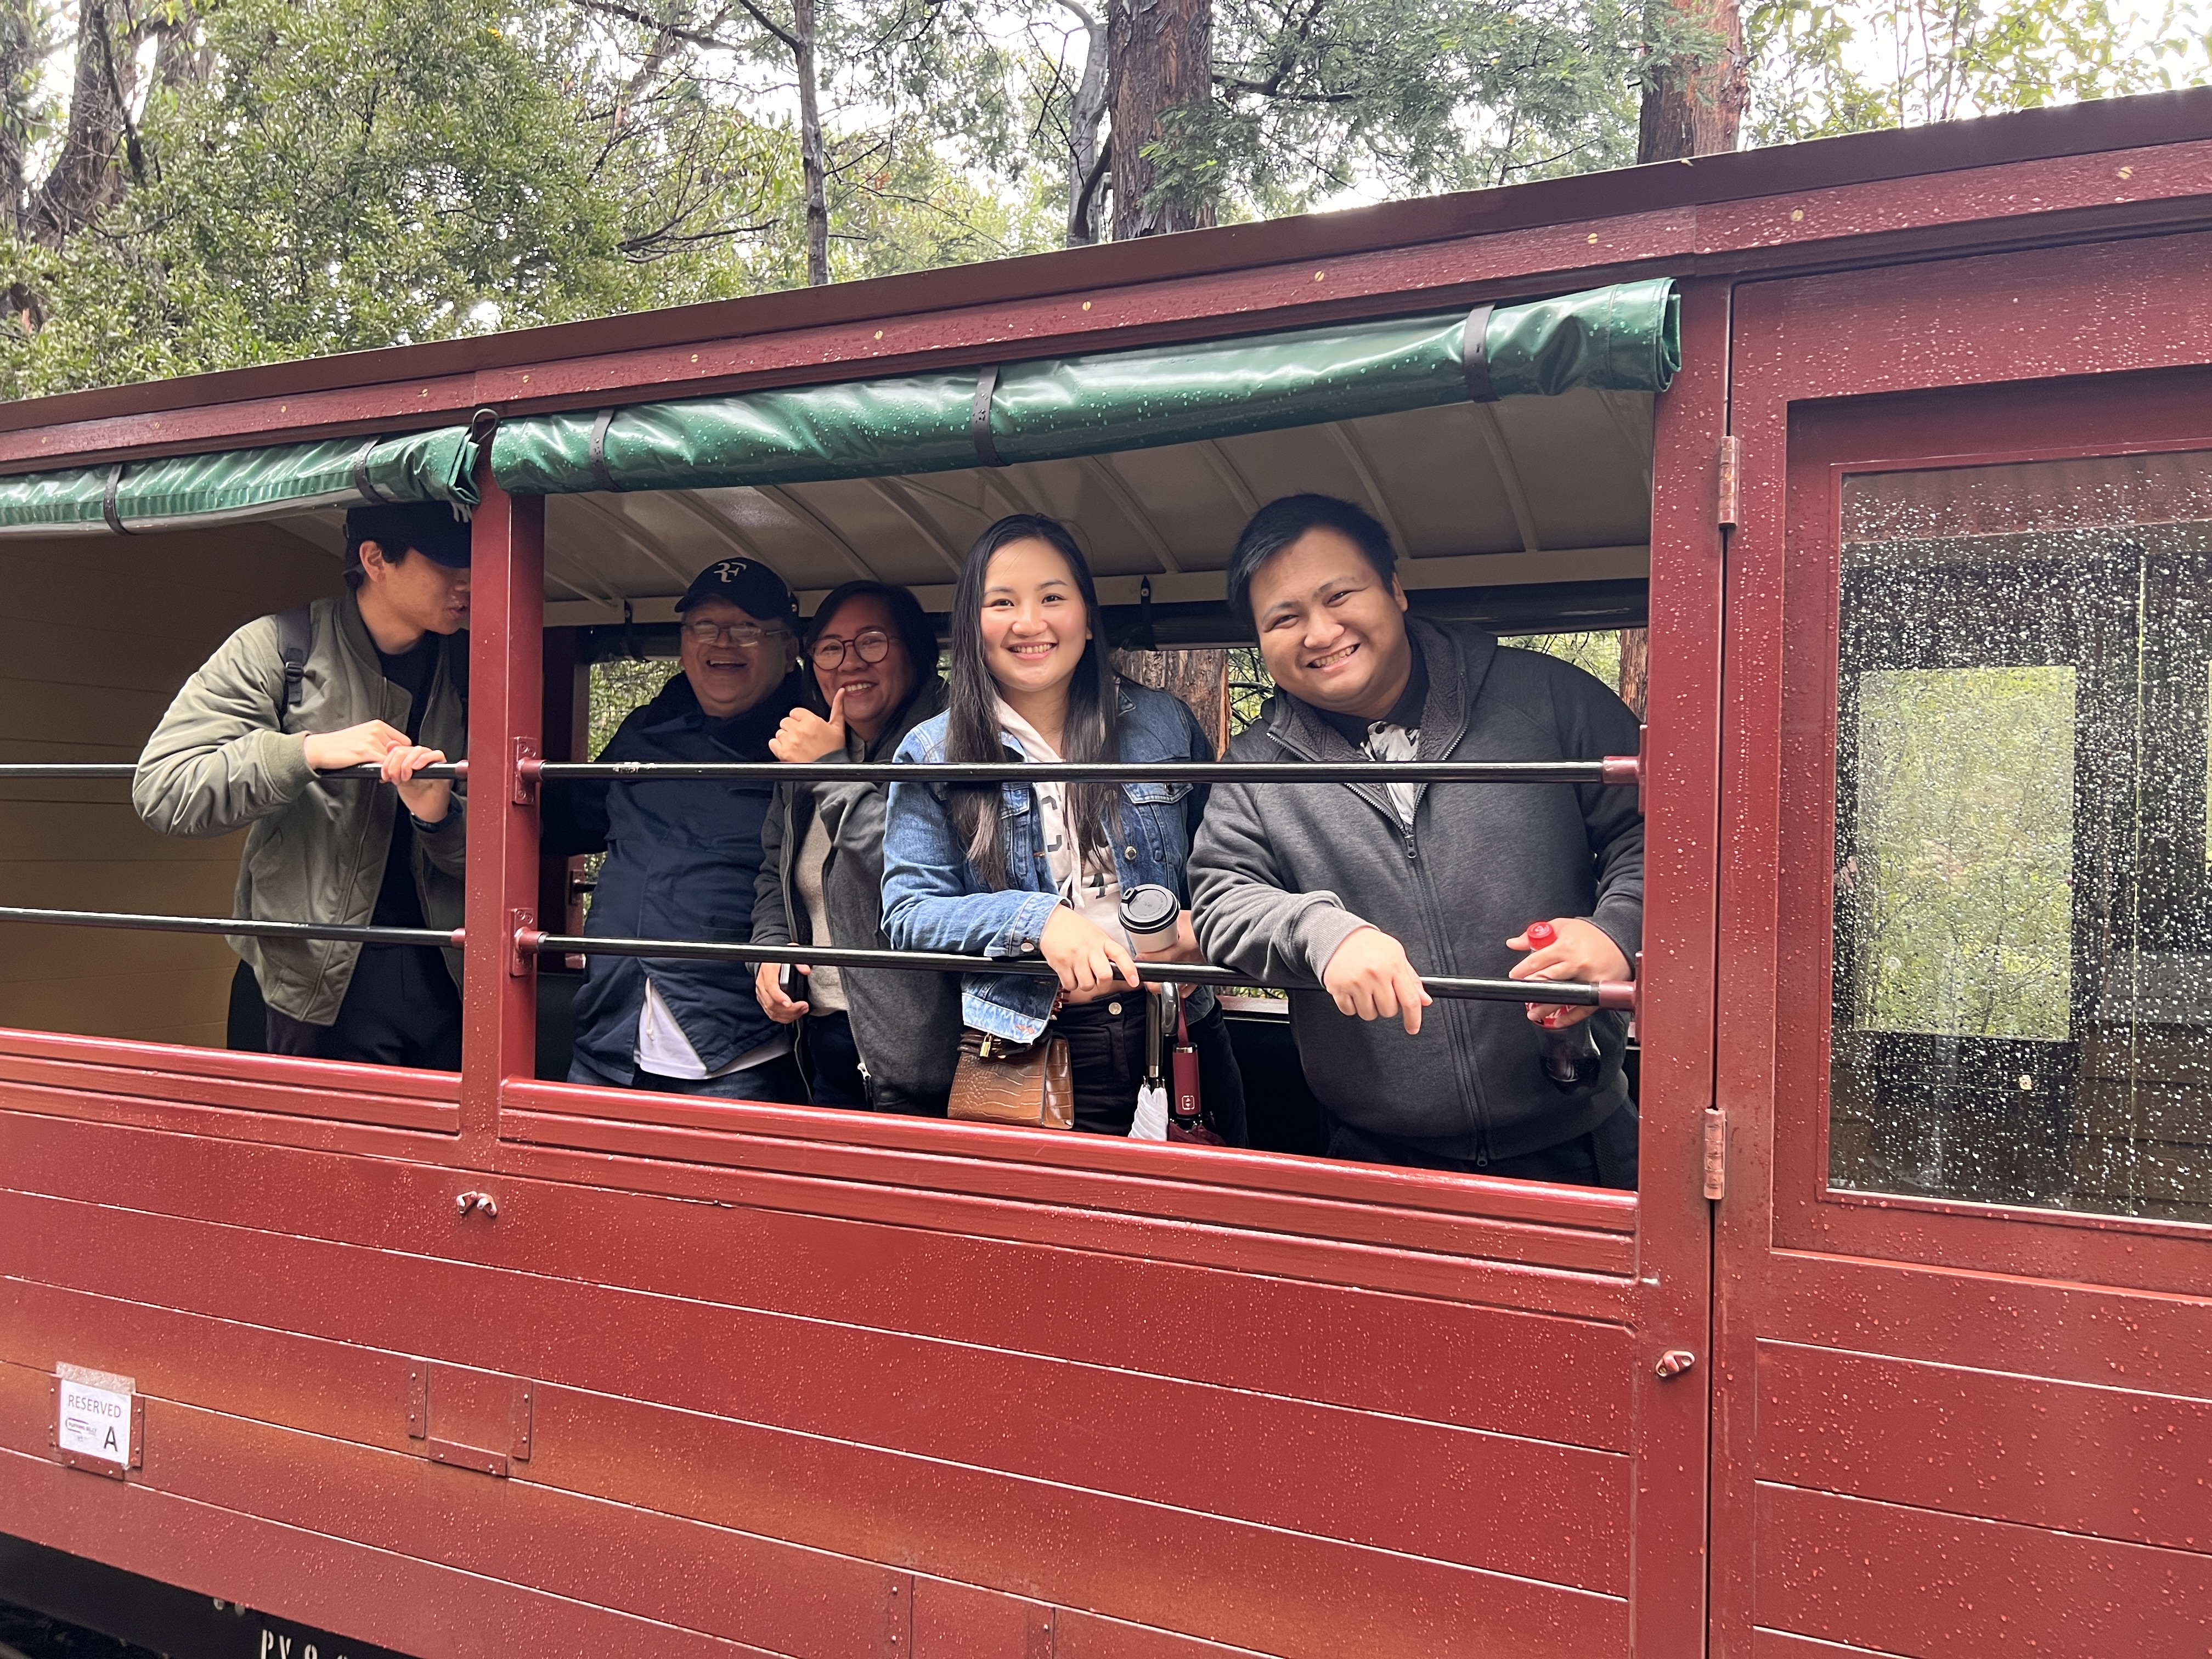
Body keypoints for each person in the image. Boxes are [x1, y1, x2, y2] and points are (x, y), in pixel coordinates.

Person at [1189, 494, 1644, 1188]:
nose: (1319, 633)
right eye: (1284, 618)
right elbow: (1222, 901)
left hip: (1587, 1141)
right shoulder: (1254, 770)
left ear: (1394, 589)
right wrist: (1322, 931)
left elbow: (1665, 838)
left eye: (1339, 594)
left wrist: (1615, 935)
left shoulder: (1547, 699)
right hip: (1374, 1157)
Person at [882, 515, 1247, 1143]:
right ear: (972, 623)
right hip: (1030, 1048)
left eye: (1053, 597)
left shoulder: (1162, 724)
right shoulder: (931, 751)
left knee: (1218, 1231)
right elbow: (908, 915)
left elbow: (1226, 863)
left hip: (1181, 1027)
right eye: (1003, 602)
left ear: (1085, 612)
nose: (1031, 623)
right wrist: (1035, 920)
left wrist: (1201, 925)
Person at [133, 500, 471, 1067]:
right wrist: (307, 753)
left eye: (473, 561)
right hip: (310, 989)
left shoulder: (475, 667)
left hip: (451, 979)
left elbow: (507, 834)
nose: (469, 580)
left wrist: (438, 815)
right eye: (447, 562)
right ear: (375, 560)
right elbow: (164, 789)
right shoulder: (279, 648)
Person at [546, 557, 808, 1101]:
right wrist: (450, 802)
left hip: (738, 1056)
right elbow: (562, 822)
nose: (723, 643)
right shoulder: (646, 730)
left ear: (789, 651)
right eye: (705, 627)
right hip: (608, 1043)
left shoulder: (812, 742)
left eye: (747, 629)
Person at [751, 580, 961, 1113]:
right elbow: (774, 870)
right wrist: (770, 949)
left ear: (916, 651)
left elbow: (924, 875)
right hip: (825, 1037)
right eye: (829, 647)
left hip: (928, 1062)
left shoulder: (953, 740)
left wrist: (830, 771)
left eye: (872, 642)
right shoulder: (812, 747)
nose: (849, 663)